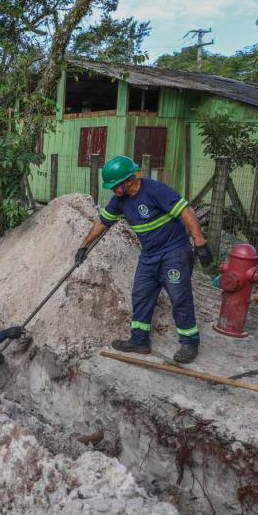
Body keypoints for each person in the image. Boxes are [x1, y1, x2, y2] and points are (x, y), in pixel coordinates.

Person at [76, 155, 213, 364]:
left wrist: (200, 242)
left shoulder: (155, 190)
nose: (113, 191)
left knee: (179, 297)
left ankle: (189, 343)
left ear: (128, 181)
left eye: (115, 186)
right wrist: (83, 247)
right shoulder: (119, 202)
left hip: (174, 252)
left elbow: (186, 211)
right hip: (149, 255)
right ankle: (139, 341)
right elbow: (102, 223)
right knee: (141, 295)